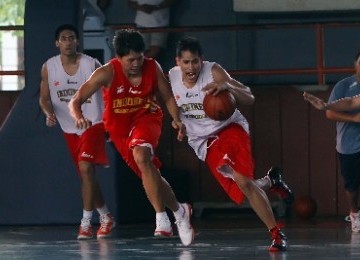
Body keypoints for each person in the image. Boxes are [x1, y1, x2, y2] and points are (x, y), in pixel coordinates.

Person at [68, 29, 194, 246]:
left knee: (141, 154)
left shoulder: (152, 67)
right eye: (130, 60)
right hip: (119, 130)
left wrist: (177, 119)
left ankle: (161, 219)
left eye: (139, 58)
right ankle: (179, 210)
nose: (136, 63)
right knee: (148, 171)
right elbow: (75, 101)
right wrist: (78, 116)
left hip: (147, 117)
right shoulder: (107, 73)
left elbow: (167, 96)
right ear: (118, 58)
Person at [168, 37, 293, 252]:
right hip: (203, 141)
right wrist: (177, 121)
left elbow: (249, 97)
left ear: (202, 60)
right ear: (178, 61)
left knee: (244, 181)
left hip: (229, 129)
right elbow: (171, 103)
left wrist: (228, 86)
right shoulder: (171, 77)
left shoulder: (214, 72)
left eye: (195, 61)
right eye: (186, 62)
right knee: (243, 191)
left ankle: (276, 233)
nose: (191, 67)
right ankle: (270, 181)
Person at [39, 24, 115, 240]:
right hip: (68, 127)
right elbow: (44, 97)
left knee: (85, 168)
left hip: (93, 123)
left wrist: (110, 122)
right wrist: (48, 113)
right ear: (57, 43)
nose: (68, 42)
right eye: (63, 38)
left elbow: (109, 91)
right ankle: (106, 217)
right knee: (86, 175)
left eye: (72, 38)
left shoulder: (92, 64)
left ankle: (85, 224)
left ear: (77, 41)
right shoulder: (49, 67)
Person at [303, 52, 360, 233]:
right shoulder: (345, 85)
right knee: (352, 185)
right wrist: (326, 106)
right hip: (349, 145)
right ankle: (354, 212)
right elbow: (351, 102)